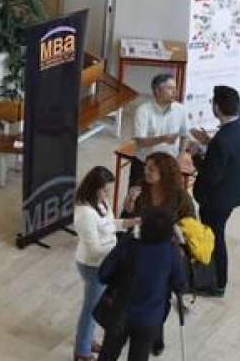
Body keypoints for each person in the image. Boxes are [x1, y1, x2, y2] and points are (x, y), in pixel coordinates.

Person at [189, 85, 240, 297]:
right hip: (237, 190)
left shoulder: (222, 141)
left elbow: (211, 175)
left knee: (213, 238)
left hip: (217, 199)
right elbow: (231, 152)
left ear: (217, 108)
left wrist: (195, 154)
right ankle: (214, 279)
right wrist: (209, 142)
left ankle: (216, 283)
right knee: (216, 235)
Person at [95, 208, 187, 361]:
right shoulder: (171, 253)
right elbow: (180, 285)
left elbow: (103, 274)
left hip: (120, 313)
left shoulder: (129, 245)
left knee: (108, 355)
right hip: (149, 318)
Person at [73, 166, 138, 361]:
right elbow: (93, 248)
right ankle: (82, 352)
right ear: (93, 188)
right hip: (92, 265)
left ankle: (87, 340)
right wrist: (119, 251)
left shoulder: (101, 203)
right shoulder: (85, 213)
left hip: (104, 262)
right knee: (91, 308)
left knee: (97, 305)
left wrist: (131, 222)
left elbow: (110, 225)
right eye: (104, 190)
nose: (107, 194)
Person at [128, 74, 188, 184]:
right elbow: (140, 141)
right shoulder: (143, 111)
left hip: (169, 165)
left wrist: (180, 156)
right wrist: (162, 139)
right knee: (138, 198)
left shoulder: (181, 109)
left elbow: (185, 135)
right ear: (157, 91)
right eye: (170, 88)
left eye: (175, 88)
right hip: (145, 165)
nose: (175, 92)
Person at [124, 153, 196, 224]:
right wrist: (131, 200)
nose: (146, 172)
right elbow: (130, 211)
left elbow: (191, 225)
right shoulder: (141, 186)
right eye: (145, 168)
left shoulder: (181, 197)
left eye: (151, 170)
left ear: (164, 173)